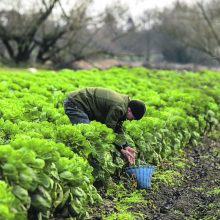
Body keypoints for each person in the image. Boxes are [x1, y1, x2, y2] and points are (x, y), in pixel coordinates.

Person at [63, 87, 146, 164]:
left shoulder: (124, 106)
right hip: (75, 102)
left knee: (87, 135)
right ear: (129, 110)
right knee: (86, 136)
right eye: (133, 118)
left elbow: (117, 127)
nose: (131, 120)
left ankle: (85, 160)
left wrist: (126, 146)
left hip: (81, 103)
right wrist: (121, 149)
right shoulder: (119, 107)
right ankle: (80, 161)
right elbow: (109, 130)